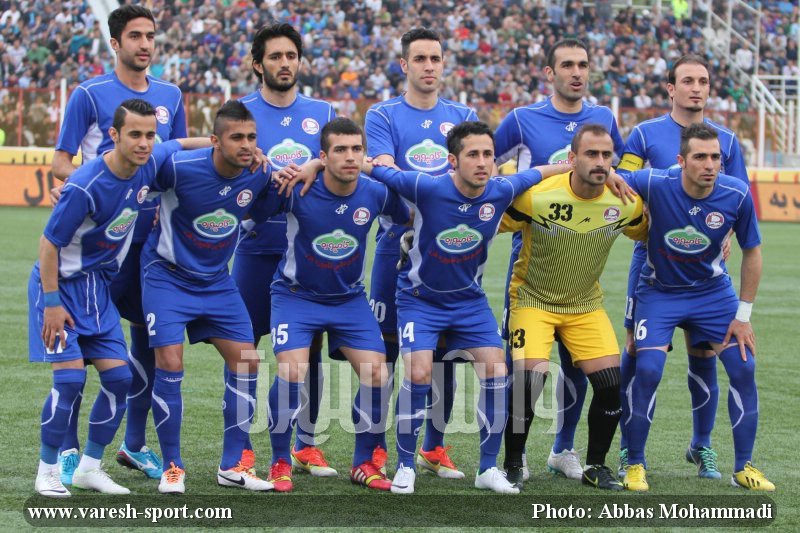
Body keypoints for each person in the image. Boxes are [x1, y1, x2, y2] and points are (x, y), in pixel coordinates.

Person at [363, 121, 569, 495]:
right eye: (473, 154)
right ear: (453, 161)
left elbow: (540, 172)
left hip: (469, 302)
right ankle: (406, 465)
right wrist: (316, 164)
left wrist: (577, 167)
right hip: (419, 300)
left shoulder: (501, 190)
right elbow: (374, 169)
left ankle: (487, 468)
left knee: (497, 370)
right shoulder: (426, 187)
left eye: (488, 154)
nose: (483, 162)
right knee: (420, 372)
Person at [30, 99, 201, 497]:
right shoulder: (85, 185)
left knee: (120, 378)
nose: (144, 142)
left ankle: (90, 467)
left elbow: (179, 145)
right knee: (69, 380)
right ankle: (47, 470)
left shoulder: (148, 162)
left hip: (97, 289)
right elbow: (48, 244)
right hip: (60, 288)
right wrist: (51, 303)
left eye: (149, 135)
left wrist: (223, 144)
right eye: (134, 134)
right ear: (114, 135)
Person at [51, 4, 187, 483]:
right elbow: (61, 161)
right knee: (82, 346)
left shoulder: (171, 95)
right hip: (98, 247)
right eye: (134, 36)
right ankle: (69, 450)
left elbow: (175, 164)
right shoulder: (89, 94)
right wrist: (85, 188)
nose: (144, 44)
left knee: (147, 341)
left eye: (150, 35)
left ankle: (133, 444)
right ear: (115, 43)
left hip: (150, 244)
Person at [493, 38, 624, 482]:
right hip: (532, 260)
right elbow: (489, 168)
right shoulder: (521, 119)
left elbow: (620, 172)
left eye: (583, 64)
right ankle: (514, 456)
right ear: (549, 72)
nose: (576, 72)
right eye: (567, 65)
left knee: (580, 372)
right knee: (527, 374)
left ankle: (564, 449)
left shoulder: (603, 118)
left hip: (582, 273)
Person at [140, 101, 285, 494]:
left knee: (247, 361)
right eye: (236, 137)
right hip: (167, 277)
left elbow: (266, 205)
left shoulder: (259, 172)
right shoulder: (179, 168)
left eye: (251, 137)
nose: (246, 145)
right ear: (215, 141)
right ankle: (172, 466)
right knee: (170, 362)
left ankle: (232, 465)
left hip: (217, 282)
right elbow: (142, 167)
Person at [616, 54, 749, 480]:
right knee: (637, 353)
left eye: (703, 81)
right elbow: (620, 182)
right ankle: (630, 449)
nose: (696, 88)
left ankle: (702, 445)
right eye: (688, 81)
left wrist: (727, 234)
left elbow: (739, 197)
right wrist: (638, 215)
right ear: (671, 88)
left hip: (705, 267)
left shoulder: (727, 141)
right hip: (651, 263)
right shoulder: (644, 133)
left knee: (704, 353)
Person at [621, 123, 774, 492]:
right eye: (701, 157)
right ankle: (634, 461)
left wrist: (743, 316)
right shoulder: (655, 182)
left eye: (715, 157)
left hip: (712, 294)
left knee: (743, 365)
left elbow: (753, 252)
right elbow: (612, 178)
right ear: (681, 160)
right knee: (648, 368)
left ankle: (743, 467)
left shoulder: (737, 194)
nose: (710, 165)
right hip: (659, 292)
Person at [265, 118, 409, 493]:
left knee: (377, 373)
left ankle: (363, 463)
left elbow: (412, 212)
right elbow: (251, 206)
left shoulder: (376, 193)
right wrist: (300, 168)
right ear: (323, 156)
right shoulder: (298, 188)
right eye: (340, 150)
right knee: (292, 370)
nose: (350, 156)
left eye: (356, 149)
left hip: (348, 299)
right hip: (296, 296)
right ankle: (280, 460)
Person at [500, 124, 646, 490]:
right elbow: (486, 220)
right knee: (529, 382)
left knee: (610, 385)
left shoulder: (626, 202)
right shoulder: (536, 197)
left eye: (606, 155)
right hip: (532, 300)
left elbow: (652, 233)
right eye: (591, 154)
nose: (600, 162)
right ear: (572, 158)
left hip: (584, 305)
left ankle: (595, 466)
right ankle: (513, 462)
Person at [364, 28, 477, 479]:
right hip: (397, 243)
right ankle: (374, 449)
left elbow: (472, 172)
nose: (429, 66)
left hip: (448, 252)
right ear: (404, 65)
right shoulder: (382, 114)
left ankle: (434, 446)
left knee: (445, 354)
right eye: (420, 59)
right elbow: (383, 169)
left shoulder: (463, 115)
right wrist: (438, 201)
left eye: (435, 58)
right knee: (384, 354)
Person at [234, 23, 336, 477]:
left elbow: (337, 166)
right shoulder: (240, 113)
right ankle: (240, 447)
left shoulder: (322, 112)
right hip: (256, 248)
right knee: (244, 347)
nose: (284, 63)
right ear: (258, 64)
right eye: (275, 56)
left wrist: (314, 163)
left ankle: (306, 444)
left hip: (307, 253)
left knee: (309, 349)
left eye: (291, 55)